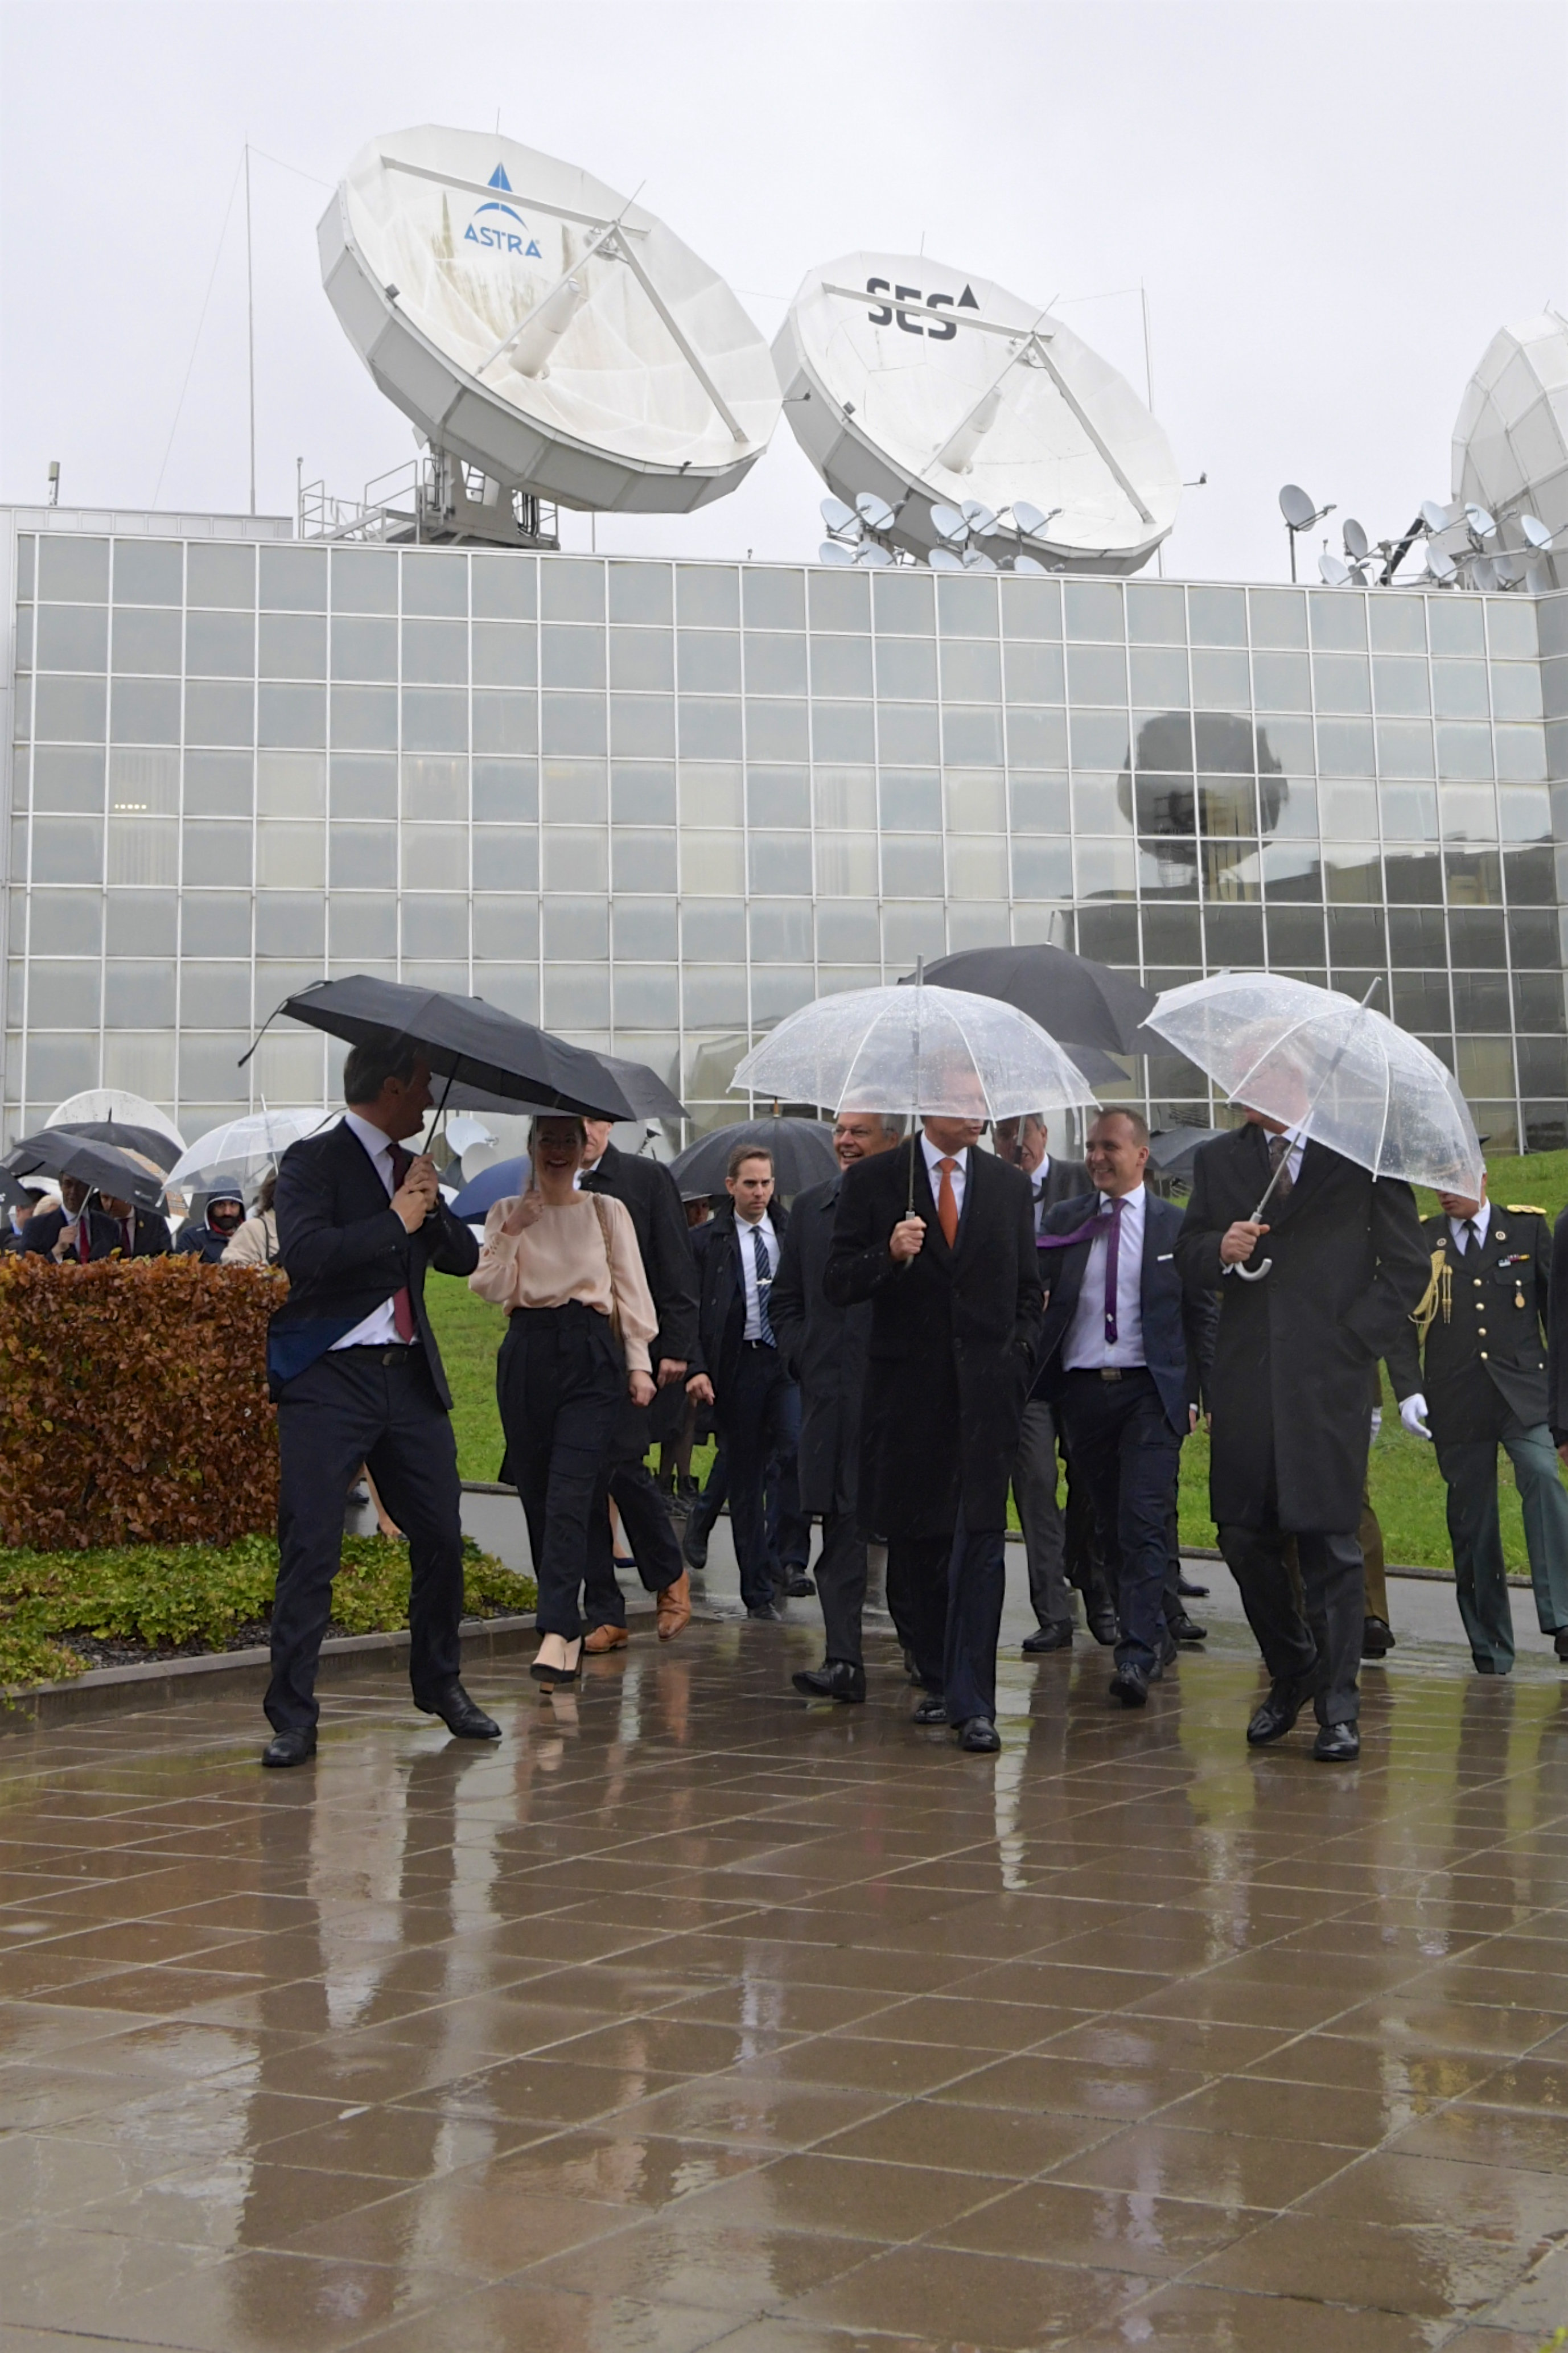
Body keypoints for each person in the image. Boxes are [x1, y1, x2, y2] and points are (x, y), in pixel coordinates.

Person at [262, 1039, 491, 1768]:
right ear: (391, 1088)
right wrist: (395, 1219)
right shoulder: (311, 1163)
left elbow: (461, 1260)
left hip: (408, 1379)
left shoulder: (412, 1169)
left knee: (443, 1539)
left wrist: (432, 1204)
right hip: (328, 1379)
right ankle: (293, 1718)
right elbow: (306, 1256)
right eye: (421, 1086)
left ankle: (440, 1685)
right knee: (311, 1547)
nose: (429, 1100)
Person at [1176, 1109, 1428, 1763]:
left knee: (1328, 1541)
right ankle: (1294, 1668)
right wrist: (1218, 1250)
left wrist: (1350, 1343)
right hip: (1245, 1381)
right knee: (1239, 1533)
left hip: (1326, 1384)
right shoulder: (1217, 1161)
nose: (1244, 1088)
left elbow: (1405, 1266)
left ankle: (1339, 1709)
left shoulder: (1361, 1155)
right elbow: (1189, 1253)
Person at [825, 1111, 1042, 1754]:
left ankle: (976, 1704)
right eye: (960, 1093)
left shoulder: (1006, 1185)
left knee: (979, 1543)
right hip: (908, 1397)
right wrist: (887, 1255)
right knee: (917, 1552)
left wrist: (1018, 1353)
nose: (975, 1110)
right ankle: (940, 1673)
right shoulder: (875, 1180)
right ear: (928, 1103)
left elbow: (1029, 1287)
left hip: (985, 1397)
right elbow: (837, 1281)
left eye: (981, 1096)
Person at [469, 1116, 659, 1688]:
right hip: (527, 1352)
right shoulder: (507, 1209)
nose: (557, 1151)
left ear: (584, 1150)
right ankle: (564, 1619)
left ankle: (557, 1627)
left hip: (589, 1354)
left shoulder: (606, 1211)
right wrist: (514, 1231)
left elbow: (630, 1289)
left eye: (567, 1141)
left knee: (573, 1492)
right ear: (530, 1147)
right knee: (536, 1491)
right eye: (546, 1140)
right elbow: (489, 1288)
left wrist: (639, 1363)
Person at [1035, 1109, 1215, 1706]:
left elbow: (1199, 1315)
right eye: (1090, 1147)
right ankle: (1153, 1627)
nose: (1095, 1158)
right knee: (1106, 1524)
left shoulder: (1173, 1228)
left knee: (1142, 1518)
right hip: (1084, 1392)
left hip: (1149, 1392)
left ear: (1141, 1155)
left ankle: (1136, 1653)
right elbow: (1040, 1298)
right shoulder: (1065, 1221)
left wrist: (1201, 1392)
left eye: (1109, 1147)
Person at [1388, 1173, 1568, 1673]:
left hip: (1522, 1393)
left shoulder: (1527, 1230)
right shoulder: (1424, 1240)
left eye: (1455, 1180)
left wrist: (1563, 1399)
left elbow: (1557, 1314)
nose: (1444, 1192)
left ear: (1482, 1178)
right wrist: (1408, 1391)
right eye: (1436, 1183)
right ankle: (1490, 1646)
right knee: (1472, 1520)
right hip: (1456, 1396)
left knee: (1540, 1475)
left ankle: (1564, 1616)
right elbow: (1399, 1322)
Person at [771, 1109, 903, 1703]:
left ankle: (926, 1656)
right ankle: (844, 1659)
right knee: (840, 1533)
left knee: (910, 1535)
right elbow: (786, 1299)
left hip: (900, 1399)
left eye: (860, 1131)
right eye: (841, 1131)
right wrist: (806, 1356)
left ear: (893, 1141)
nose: (845, 1141)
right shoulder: (811, 1208)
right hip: (832, 1396)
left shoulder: (914, 1209)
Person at [575, 1118, 699, 1653]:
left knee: (622, 1469)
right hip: (566, 1355)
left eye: (589, 1122)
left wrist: (676, 1346)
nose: (580, 1134)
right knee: (578, 1481)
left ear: (606, 1124)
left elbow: (675, 1263)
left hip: (630, 1346)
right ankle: (604, 1610)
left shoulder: (645, 1179)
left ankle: (668, 1575)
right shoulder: (543, 1184)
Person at [685, 1147, 808, 1620]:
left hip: (784, 1362)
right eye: (750, 1184)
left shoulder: (789, 1232)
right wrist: (697, 1366)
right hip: (738, 1364)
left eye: (766, 1183)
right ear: (731, 1185)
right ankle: (756, 1589)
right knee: (744, 1475)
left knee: (794, 1447)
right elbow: (691, 1309)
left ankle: (786, 1557)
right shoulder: (708, 1242)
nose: (759, 1193)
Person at [997, 1112, 1093, 1655]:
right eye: (1003, 1135)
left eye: (1021, 1133)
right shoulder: (989, 1190)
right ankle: (1052, 1612)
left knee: (1090, 1486)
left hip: (1078, 1361)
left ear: (1042, 1134)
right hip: (1025, 1372)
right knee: (1034, 1484)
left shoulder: (1081, 1183)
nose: (1014, 1145)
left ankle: (1088, 1573)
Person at [221, 1171, 281, 1268]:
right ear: (274, 1195)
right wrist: (272, 1263)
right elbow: (233, 1274)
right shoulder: (253, 1229)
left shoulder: (307, 1229)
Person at [176, 1188, 245, 1262]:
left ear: (240, 1208)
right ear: (211, 1208)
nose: (227, 1212)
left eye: (233, 1204)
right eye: (221, 1205)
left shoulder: (250, 1237)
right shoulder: (191, 1238)